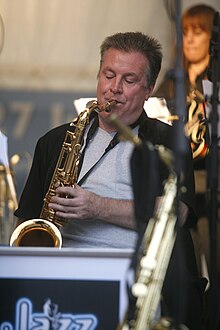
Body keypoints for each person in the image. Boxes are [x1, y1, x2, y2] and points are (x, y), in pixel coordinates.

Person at [14, 32, 203, 329]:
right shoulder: (55, 141)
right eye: (108, 75)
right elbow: (25, 225)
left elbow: (176, 212)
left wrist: (96, 206)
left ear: (148, 88)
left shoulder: (168, 141)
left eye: (128, 80)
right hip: (59, 282)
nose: (113, 89)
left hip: (135, 285)